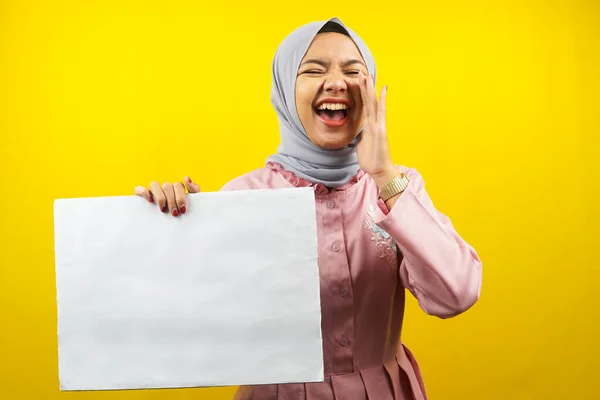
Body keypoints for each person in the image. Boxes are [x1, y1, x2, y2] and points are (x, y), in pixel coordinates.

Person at [134, 17, 482, 400]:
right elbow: (194, 320)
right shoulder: (243, 197)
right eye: (314, 70)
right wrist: (175, 226)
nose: (336, 82)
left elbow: (457, 294)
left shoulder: (399, 187)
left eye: (353, 70)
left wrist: (383, 174)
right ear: (285, 88)